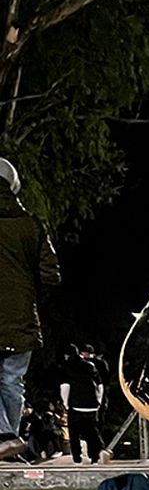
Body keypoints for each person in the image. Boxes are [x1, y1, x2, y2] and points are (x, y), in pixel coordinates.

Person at [0, 157, 60, 438]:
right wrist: (30, 295)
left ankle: (3, 437)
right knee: (13, 380)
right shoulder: (32, 225)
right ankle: (8, 436)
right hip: (22, 317)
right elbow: (51, 275)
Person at [61, 343, 104, 464]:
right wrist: (98, 401)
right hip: (91, 405)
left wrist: (66, 403)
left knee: (74, 434)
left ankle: (77, 458)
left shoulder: (67, 366)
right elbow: (100, 385)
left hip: (76, 405)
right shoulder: (90, 365)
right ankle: (95, 457)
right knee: (92, 432)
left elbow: (65, 386)